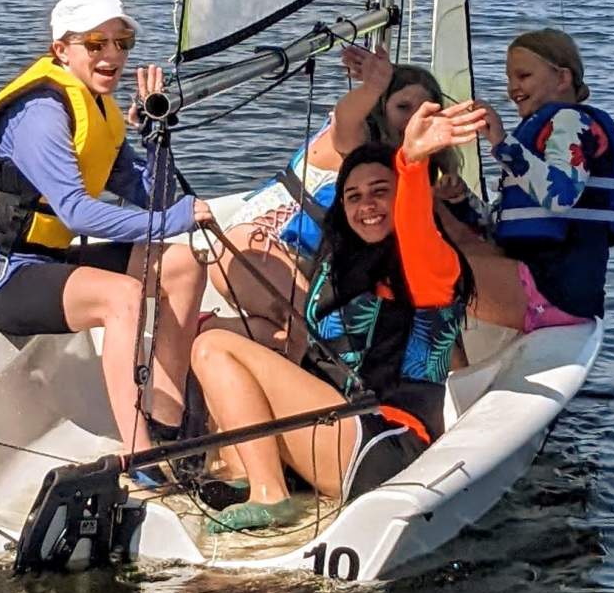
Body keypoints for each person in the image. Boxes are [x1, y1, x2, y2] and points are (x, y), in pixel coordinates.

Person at [190, 97, 487, 533]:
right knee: (221, 337)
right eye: (354, 196)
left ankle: (270, 494)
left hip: (386, 445)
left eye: (380, 192)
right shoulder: (340, 264)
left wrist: (412, 162)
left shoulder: (427, 267)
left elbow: (416, 227)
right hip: (340, 430)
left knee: (214, 349)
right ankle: (245, 477)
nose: (366, 204)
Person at [0, 0, 213, 458]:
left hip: (51, 260)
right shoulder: (40, 114)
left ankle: (169, 424)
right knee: (124, 296)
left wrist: (156, 135)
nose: (112, 55)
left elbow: (154, 196)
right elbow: (76, 211)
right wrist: (172, 219)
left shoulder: (98, 108)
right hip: (3, 275)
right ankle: (143, 457)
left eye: (122, 42)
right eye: (95, 44)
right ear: (61, 50)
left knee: (183, 265)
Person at [207, 47, 447, 352]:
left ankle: (210, 329)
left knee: (296, 343)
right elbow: (345, 119)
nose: (413, 119)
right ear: (382, 108)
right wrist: (372, 87)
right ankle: (209, 332)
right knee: (312, 337)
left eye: (425, 109)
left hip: (307, 264)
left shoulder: (410, 166)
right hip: (254, 246)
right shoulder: (358, 142)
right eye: (403, 107)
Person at [450, 28, 614, 331]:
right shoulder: (539, 138)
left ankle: (430, 372)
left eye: (523, 76)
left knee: (419, 267)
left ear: (562, 78)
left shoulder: (571, 122)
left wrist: (502, 143)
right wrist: (458, 199)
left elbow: (561, 195)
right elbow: (502, 227)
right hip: (548, 287)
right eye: (509, 78)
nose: (512, 88)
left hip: (553, 290)